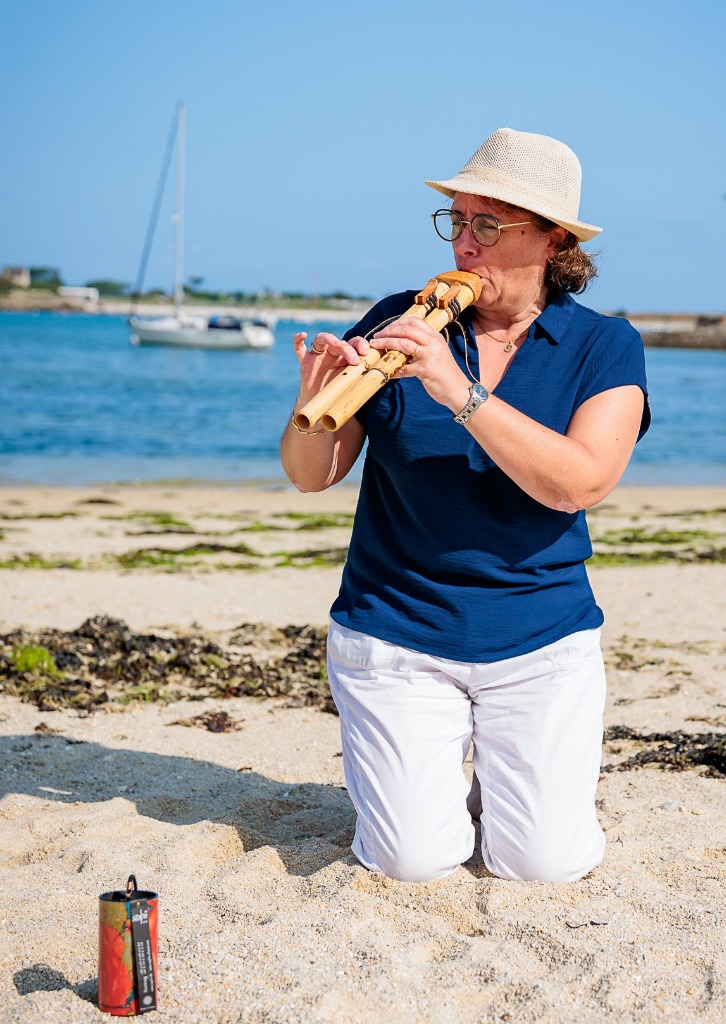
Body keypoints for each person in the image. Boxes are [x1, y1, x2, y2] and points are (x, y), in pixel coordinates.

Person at [280, 127, 650, 884]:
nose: (465, 245)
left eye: (489, 224)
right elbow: (313, 473)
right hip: (397, 631)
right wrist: (310, 400)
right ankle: (429, 777)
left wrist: (458, 389)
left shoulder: (605, 346)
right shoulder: (398, 320)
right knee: (414, 862)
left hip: (542, 640)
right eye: (457, 219)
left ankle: (493, 782)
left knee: (541, 866)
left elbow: (579, 483)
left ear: (551, 242)